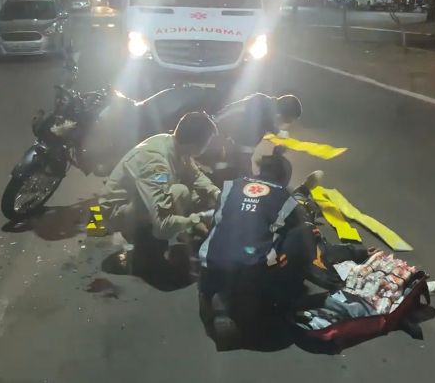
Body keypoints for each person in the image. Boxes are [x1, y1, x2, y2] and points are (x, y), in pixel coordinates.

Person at [197, 146, 371, 350]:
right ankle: (321, 286)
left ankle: (220, 296)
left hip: (210, 262)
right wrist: (357, 253)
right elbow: (307, 239)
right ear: (284, 178)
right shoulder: (284, 198)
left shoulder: (231, 186)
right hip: (251, 270)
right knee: (304, 233)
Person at [99, 112, 222, 278]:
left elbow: (195, 175)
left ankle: (151, 237)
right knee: (181, 193)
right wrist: (196, 220)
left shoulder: (175, 144)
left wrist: (218, 194)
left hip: (133, 201)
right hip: (115, 212)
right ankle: (143, 243)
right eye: (208, 141)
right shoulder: (156, 164)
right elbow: (162, 224)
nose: (210, 145)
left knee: (192, 193)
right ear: (196, 143)